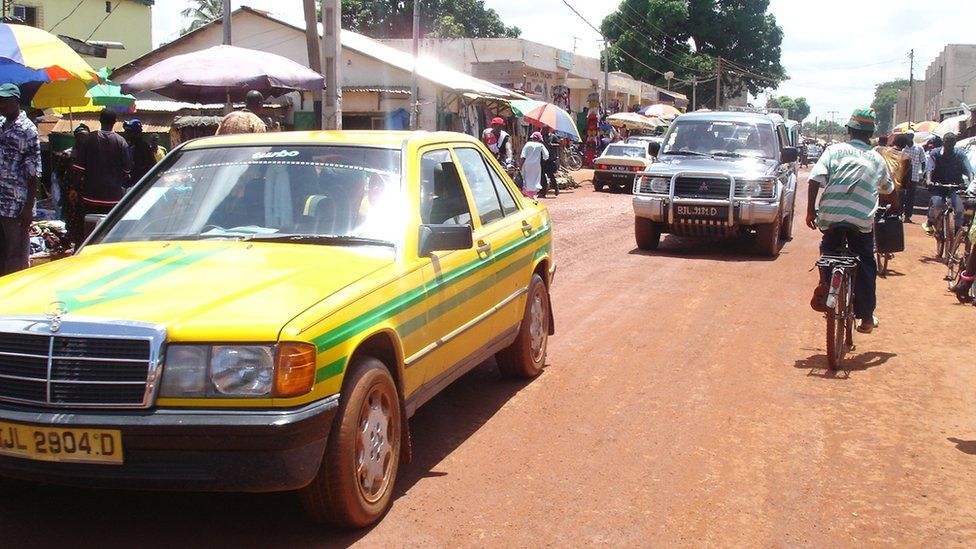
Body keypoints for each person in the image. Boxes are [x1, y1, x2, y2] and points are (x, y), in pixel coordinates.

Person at [806, 108, 898, 334]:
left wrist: (810, 211)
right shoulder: (877, 158)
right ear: (871, 133)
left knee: (828, 251)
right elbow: (888, 189)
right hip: (861, 221)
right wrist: (895, 206)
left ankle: (826, 284)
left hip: (831, 216)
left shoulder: (834, 151)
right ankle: (866, 318)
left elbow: (815, 179)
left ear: (848, 130)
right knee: (866, 262)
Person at [0, 83, 40, 276]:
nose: (1, 105)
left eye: (5, 102)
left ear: (16, 102)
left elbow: (34, 173)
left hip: (15, 205)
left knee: (15, 256)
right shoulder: (1, 125)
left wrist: (28, 208)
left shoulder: (27, 130)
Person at [77, 108, 132, 215]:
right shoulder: (121, 142)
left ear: (100, 120)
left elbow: (79, 169)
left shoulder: (89, 139)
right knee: (110, 229)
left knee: (91, 228)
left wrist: (75, 189)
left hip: (90, 196)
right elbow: (128, 168)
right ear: (115, 122)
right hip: (113, 198)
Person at [923, 132, 973, 236]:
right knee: (938, 204)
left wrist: (972, 180)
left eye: (951, 142)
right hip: (938, 185)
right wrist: (929, 180)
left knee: (959, 207)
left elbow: (969, 170)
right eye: (947, 142)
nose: (949, 145)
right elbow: (929, 168)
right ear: (943, 142)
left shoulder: (960, 155)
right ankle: (931, 221)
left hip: (956, 186)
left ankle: (956, 231)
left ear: (955, 143)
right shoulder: (935, 153)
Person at [874, 134, 911, 210]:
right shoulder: (906, 157)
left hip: (878, 188)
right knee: (897, 213)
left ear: (893, 142)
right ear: (904, 146)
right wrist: (906, 188)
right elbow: (906, 178)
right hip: (895, 191)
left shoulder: (880, 151)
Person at [901, 132, 926, 222]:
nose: (908, 138)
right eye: (907, 136)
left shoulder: (919, 148)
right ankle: (899, 215)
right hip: (902, 176)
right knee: (901, 196)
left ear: (912, 137)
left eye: (910, 136)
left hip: (914, 176)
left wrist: (924, 175)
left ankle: (907, 216)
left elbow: (923, 161)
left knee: (910, 197)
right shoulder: (902, 148)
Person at [123, 119, 156, 185]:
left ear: (135, 133)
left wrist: (132, 176)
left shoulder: (143, 147)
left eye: (128, 132)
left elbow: (147, 167)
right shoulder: (129, 146)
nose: (126, 134)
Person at [518, 132, 549, 200]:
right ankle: (532, 195)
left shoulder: (527, 144)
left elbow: (523, 156)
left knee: (526, 180)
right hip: (536, 166)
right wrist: (544, 159)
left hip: (527, 165)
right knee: (535, 180)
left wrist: (520, 166)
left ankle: (527, 194)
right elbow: (546, 155)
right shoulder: (540, 145)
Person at [540, 127, 560, 199]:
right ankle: (543, 192)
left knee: (551, 175)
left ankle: (556, 188)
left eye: (544, 129)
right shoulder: (541, 137)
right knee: (542, 176)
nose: (543, 131)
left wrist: (552, 145)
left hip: (550, 159)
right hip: (542, 159)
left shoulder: (553, 136)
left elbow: (559, 144)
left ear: (548, 130)